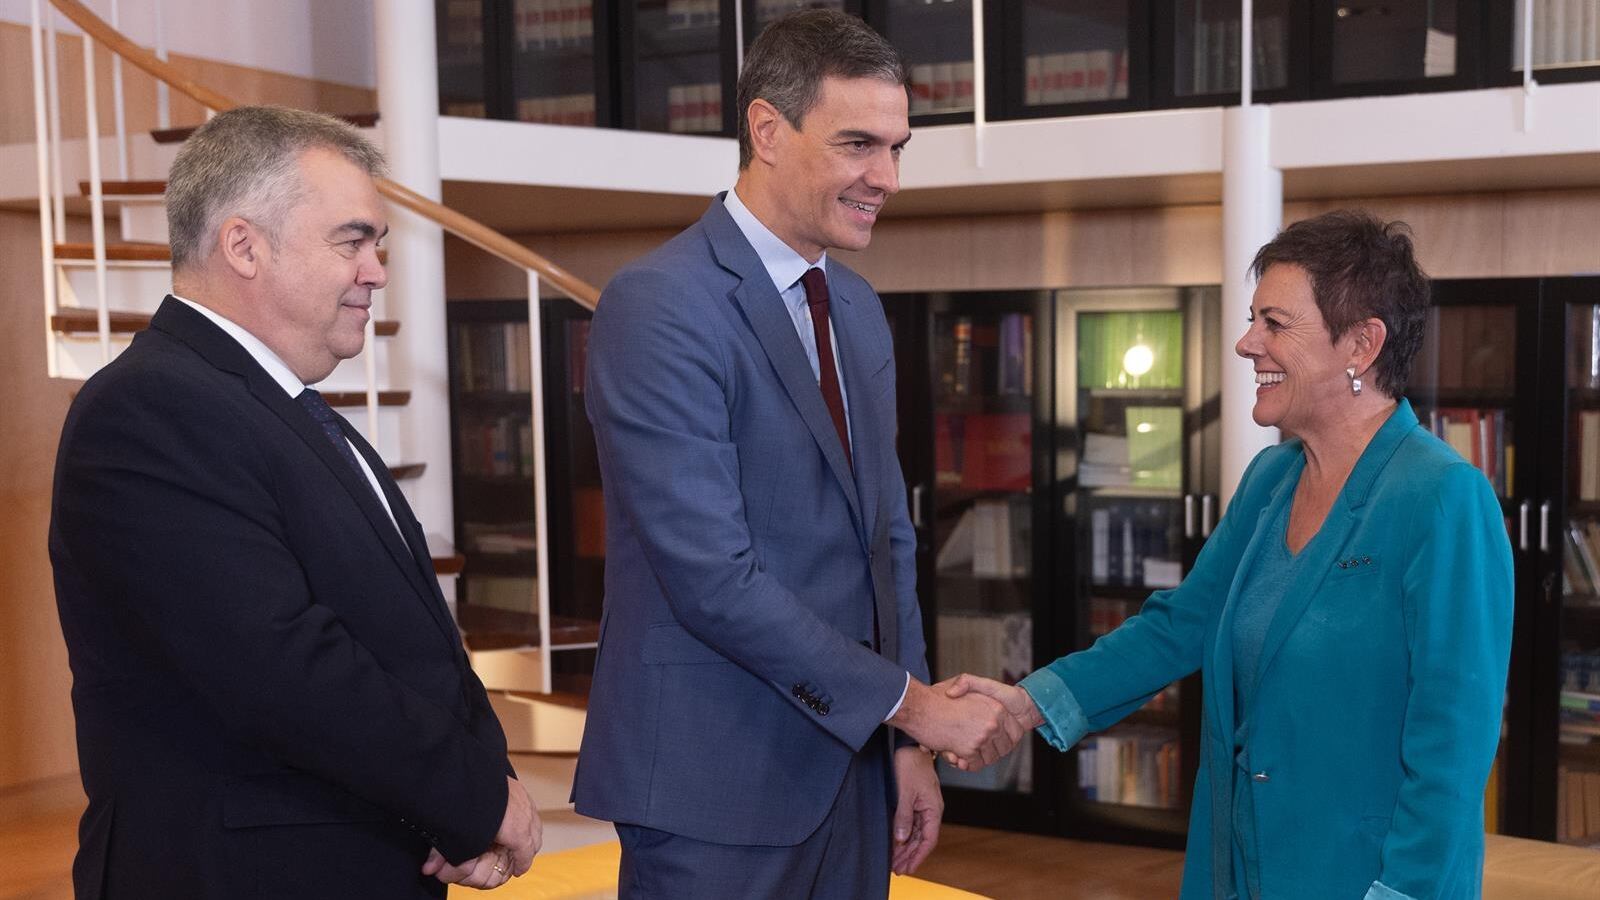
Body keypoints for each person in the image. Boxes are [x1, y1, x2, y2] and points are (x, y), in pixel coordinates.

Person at [572, 10, 1019, 898]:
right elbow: (713, 579)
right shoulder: (658, 306)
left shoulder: (855, 308)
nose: (885, 177)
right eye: (859, 144)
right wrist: (915, 704)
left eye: (897, 148)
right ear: (766, 131)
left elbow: (887, 540)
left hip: (853, 777)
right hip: (712, 786)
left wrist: (906, 744)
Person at [49, 106, 541, 899]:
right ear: (243, 245)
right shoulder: (148, 409)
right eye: (352, 240)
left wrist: (484, 785)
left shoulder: (283, 407)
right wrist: (475, 799)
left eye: (376, 243)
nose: (377, 270)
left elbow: (412, 636)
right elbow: (281, 667)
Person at [953, 210, 1514, 900]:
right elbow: (1179, 624)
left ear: (1361, 344)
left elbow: (1452, 743)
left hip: (1363, 877)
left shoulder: (1443, 497)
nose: (1248, 344)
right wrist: (1029, 703)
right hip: (1236, 863)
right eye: (1254, 320)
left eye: (1275, 323)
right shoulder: (1271, 480)